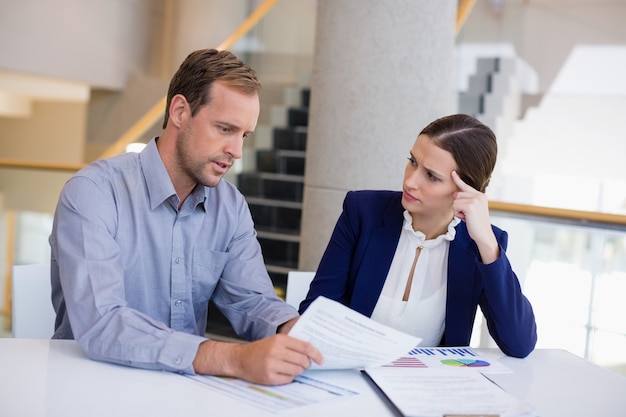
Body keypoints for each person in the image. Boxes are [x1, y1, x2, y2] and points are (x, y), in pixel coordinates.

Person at [49, 48, 322, 385]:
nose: (236, 151)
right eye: (225, 129)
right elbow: (102, 321)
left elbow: (251, 299)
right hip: (90, 387)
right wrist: (232, 358)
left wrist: (294, 330)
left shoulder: (230, 206)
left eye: (244, 136)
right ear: (179, 111)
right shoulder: (94, 193)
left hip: (182, 389)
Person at [299, 114, 537, 358]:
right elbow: (316, 313)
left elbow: (519, 343)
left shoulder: (480, 244)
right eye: (412, 161)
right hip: (353, 374)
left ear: (466, 190)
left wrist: (487, 243)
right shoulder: (363, 212)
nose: (411, 181)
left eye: (431, 176)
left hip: (426, 389)